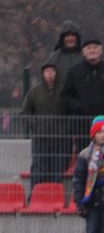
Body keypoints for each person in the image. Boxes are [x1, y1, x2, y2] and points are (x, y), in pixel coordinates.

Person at [61, 36, 104, 150]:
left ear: (101, 51)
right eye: (89, 48)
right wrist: (79, 107)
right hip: (82, 123)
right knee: (84, 154)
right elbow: (66, 95)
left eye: (95, 48)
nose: (92, 51)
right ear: (84, 52)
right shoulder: (75, 71)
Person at [20, 62, 66, 190]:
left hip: (59, 138)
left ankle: (56, 195)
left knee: (57, 169)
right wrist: (35, 126)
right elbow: (24, 112)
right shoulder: (34, 92)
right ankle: (35, 194)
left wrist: (64, 128)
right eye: (47, 72)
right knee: (39, 168)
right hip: (40, 138)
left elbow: (70, 112)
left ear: (56, 73)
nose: (50, 74)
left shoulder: (63, 91)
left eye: (52, 71)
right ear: (43, 74)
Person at [45, 20, 83, 88]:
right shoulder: (55, 57)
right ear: (63, 38)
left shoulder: (84, 55)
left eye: (73, 35)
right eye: (67, 35)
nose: (70, 38)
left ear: (77, 37)